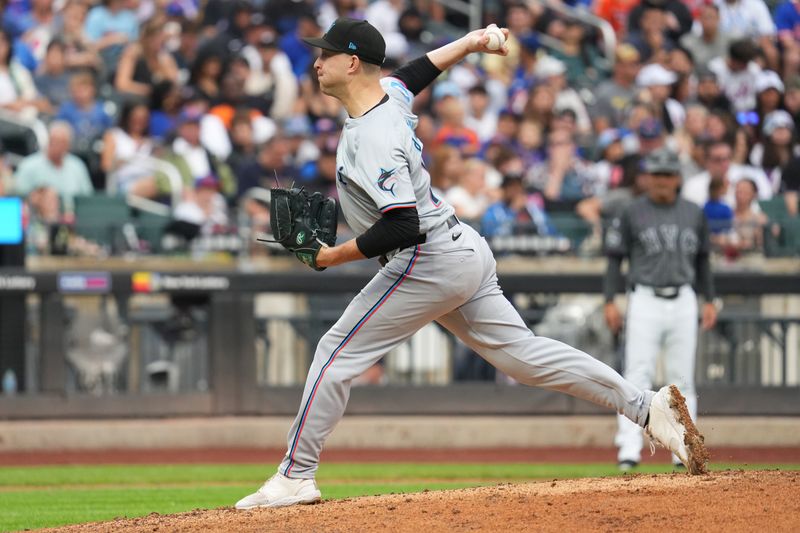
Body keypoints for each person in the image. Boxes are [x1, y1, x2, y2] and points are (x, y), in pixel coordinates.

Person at [234, 19, 708, 510]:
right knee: (522, 357)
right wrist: (473, 41)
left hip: (427, 256)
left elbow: (402, 226)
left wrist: (333, 255)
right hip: (462, 248)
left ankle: (296, 475)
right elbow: (415, 73)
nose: (315, 61)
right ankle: (646, 408)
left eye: (326, 54)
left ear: (352, 64)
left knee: (335, 354)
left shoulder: (374, 133)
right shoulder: (386, 96)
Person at [603, 148, 717, 470]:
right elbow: (614, 259)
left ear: (677, 178)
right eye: (656, 174)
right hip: (644, 299)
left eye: (667, 174)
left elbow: (704, 259)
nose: (661, 181)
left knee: (683, 379)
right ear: (647, 178)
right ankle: (628, 449)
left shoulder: (694, 212)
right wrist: (610, 299)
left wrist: (709, 298)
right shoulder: (632, 211)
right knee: (636, 376)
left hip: (683, 297)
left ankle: (683, 449)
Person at [13, 121, 93, 217]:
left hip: (73, 221)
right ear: (49, 141)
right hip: (38, 222)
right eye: (56, 141)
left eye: (64, 143)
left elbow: (88, 198)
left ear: (69, 145)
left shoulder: (77, 166)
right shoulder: (29, 165)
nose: (59, 147)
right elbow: (17, 198)